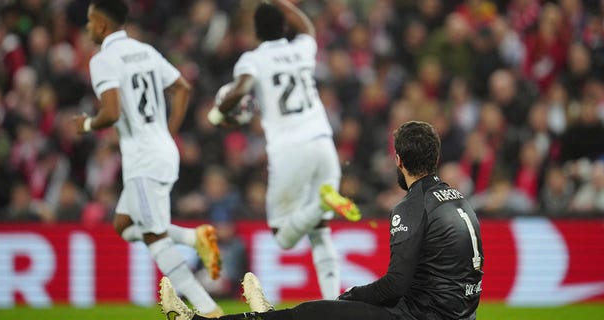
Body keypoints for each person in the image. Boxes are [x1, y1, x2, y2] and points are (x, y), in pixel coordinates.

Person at [160, 121, 485, 320]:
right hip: (452, 314)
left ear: (398, 160)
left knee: (313, 313)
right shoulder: (459, 200)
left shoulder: (411, 207)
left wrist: (350, 295)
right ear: (436, 157)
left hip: (420, 317)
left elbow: (395, 284)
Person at [74, 0, 224, 316]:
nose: (87, 27)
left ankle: (208, 309)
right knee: (124, 224)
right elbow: (182, 87)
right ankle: (192, 236)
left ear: (101, 24)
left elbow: (111, 112)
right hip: (162, 150)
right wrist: (167, 132)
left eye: (90, 21)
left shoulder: (103, 60)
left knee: (155, 237)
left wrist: (87, 124)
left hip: (143, 159)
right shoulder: (146, 51)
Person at [206, 0, 361, 300]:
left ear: (255, 31)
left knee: (283, 236)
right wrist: (282, 4)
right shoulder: (301, 48)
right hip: (322, 141)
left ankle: (322, 203)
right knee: (320, 230)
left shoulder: (253, 59)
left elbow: (239, 90)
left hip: (290, 149)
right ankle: (332, 302)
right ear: (284, 26)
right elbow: (308, 28)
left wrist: (219, 112)